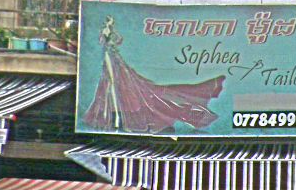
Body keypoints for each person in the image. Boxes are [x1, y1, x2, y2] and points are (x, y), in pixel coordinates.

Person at [83, 16, 225, 133]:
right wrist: (107, 34)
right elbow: (104, 42)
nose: (110, 23)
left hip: (115, 58)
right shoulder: (106, 33)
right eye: (109, 21)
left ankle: (115, 118)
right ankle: (113, 118)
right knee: (112, 85)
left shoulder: (111, 33)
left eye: (111, 22)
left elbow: (118, 41)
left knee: (124, 85)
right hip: (110, 57)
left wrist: (112, 34)